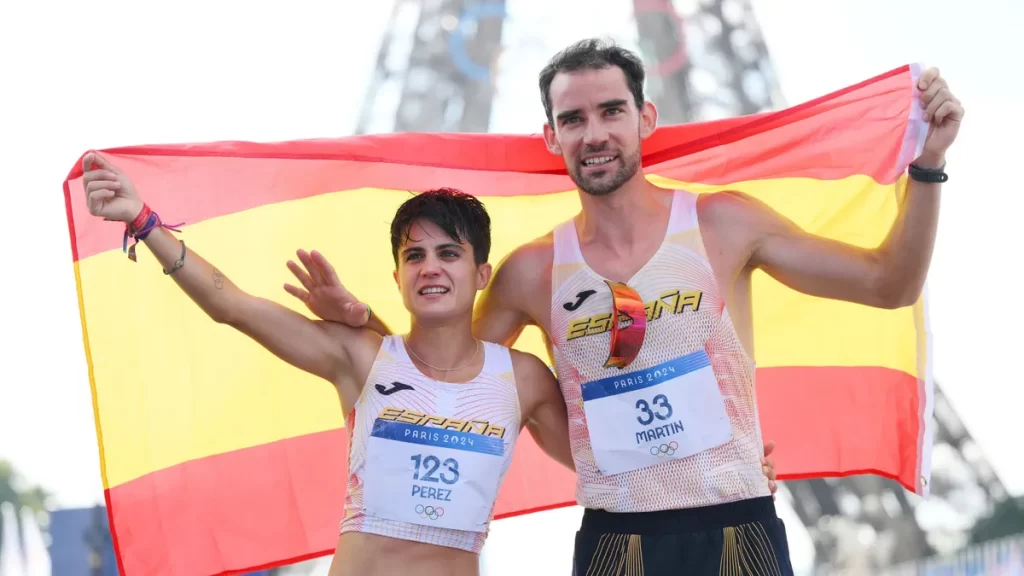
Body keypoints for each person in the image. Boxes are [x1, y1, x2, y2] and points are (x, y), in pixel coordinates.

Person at [293, 38, 962, 575]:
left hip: (738, 527)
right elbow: (441, 377)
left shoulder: (722, 224)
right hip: (619, 544)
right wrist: (363, 327)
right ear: (552, 137)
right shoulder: (532, 271)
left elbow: (887, 284)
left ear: (645, 118)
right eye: (574, 119)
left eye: (611, 111)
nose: (595, 133)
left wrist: (927, 166)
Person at [80, 159, 581, 576]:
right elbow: (231, 305)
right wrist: (143, 222)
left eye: (449, 254)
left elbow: (600, 466)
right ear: (398, 276)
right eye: (415, 256)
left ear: (481, 274)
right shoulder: (362, 358)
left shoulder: (522, 378)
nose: (431, 267)